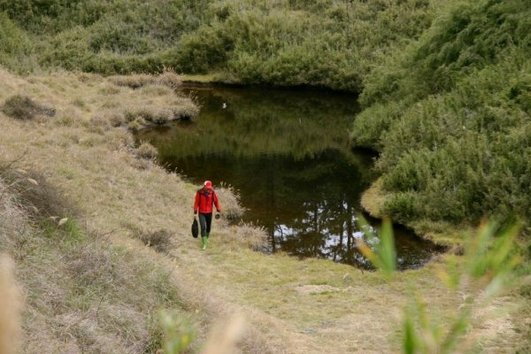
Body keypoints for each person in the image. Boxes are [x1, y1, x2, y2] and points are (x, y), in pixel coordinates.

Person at [193, 180, 221, 250]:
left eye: (209, 187)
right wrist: (195, 213)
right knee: (203, 227)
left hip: (209, 213)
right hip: (201, 213)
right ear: (204, 186)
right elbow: (196, 203)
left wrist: (218, 210)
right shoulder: (199, 193)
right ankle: (204, 244)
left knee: (208, 227)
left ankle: (206, 238)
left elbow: (216, 201)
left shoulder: (212, 192)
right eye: (207, 187)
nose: (208, 188)